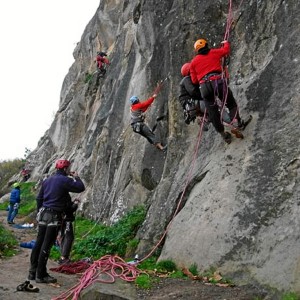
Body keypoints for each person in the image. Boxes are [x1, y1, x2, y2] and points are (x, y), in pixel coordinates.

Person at [28, 159, 85, 284]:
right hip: (54, 215)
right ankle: (41, 275)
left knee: (39, 242)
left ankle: (32, 272)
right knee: (47, 244)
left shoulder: (47, 180)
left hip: (43, 213)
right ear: (65, 169)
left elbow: (39, 198)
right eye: (68, 169)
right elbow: (80, 188)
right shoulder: (65, 180)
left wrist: (39, 212)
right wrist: (76, 177)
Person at [190, 38, 245, 144]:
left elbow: (194, 80)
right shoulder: (213, 52)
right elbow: (225, 51)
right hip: (217, 82)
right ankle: (236, 123)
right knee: (230, 102)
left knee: (213, 112)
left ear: (197, 50)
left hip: (204, 87)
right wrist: (225, 43)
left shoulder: (193, 63)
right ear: (206, 45)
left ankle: (224, 135)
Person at [179, 62, 209, 129]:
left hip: (191, 104)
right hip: (192, 102)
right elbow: (193, 91)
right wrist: (204, 95)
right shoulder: (186, 79)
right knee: (212, 107)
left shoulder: (188, 79)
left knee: (210, 112)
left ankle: (205, 120)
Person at [57, 198, 80, 265]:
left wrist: (73, 203)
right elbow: (68, 209)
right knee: (69, 237)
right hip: (66, 220)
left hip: (61, 220)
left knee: (64, 237)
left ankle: (63, 257)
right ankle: (64, 257)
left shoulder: (60, 195)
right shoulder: (64, 195)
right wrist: (75, 204)